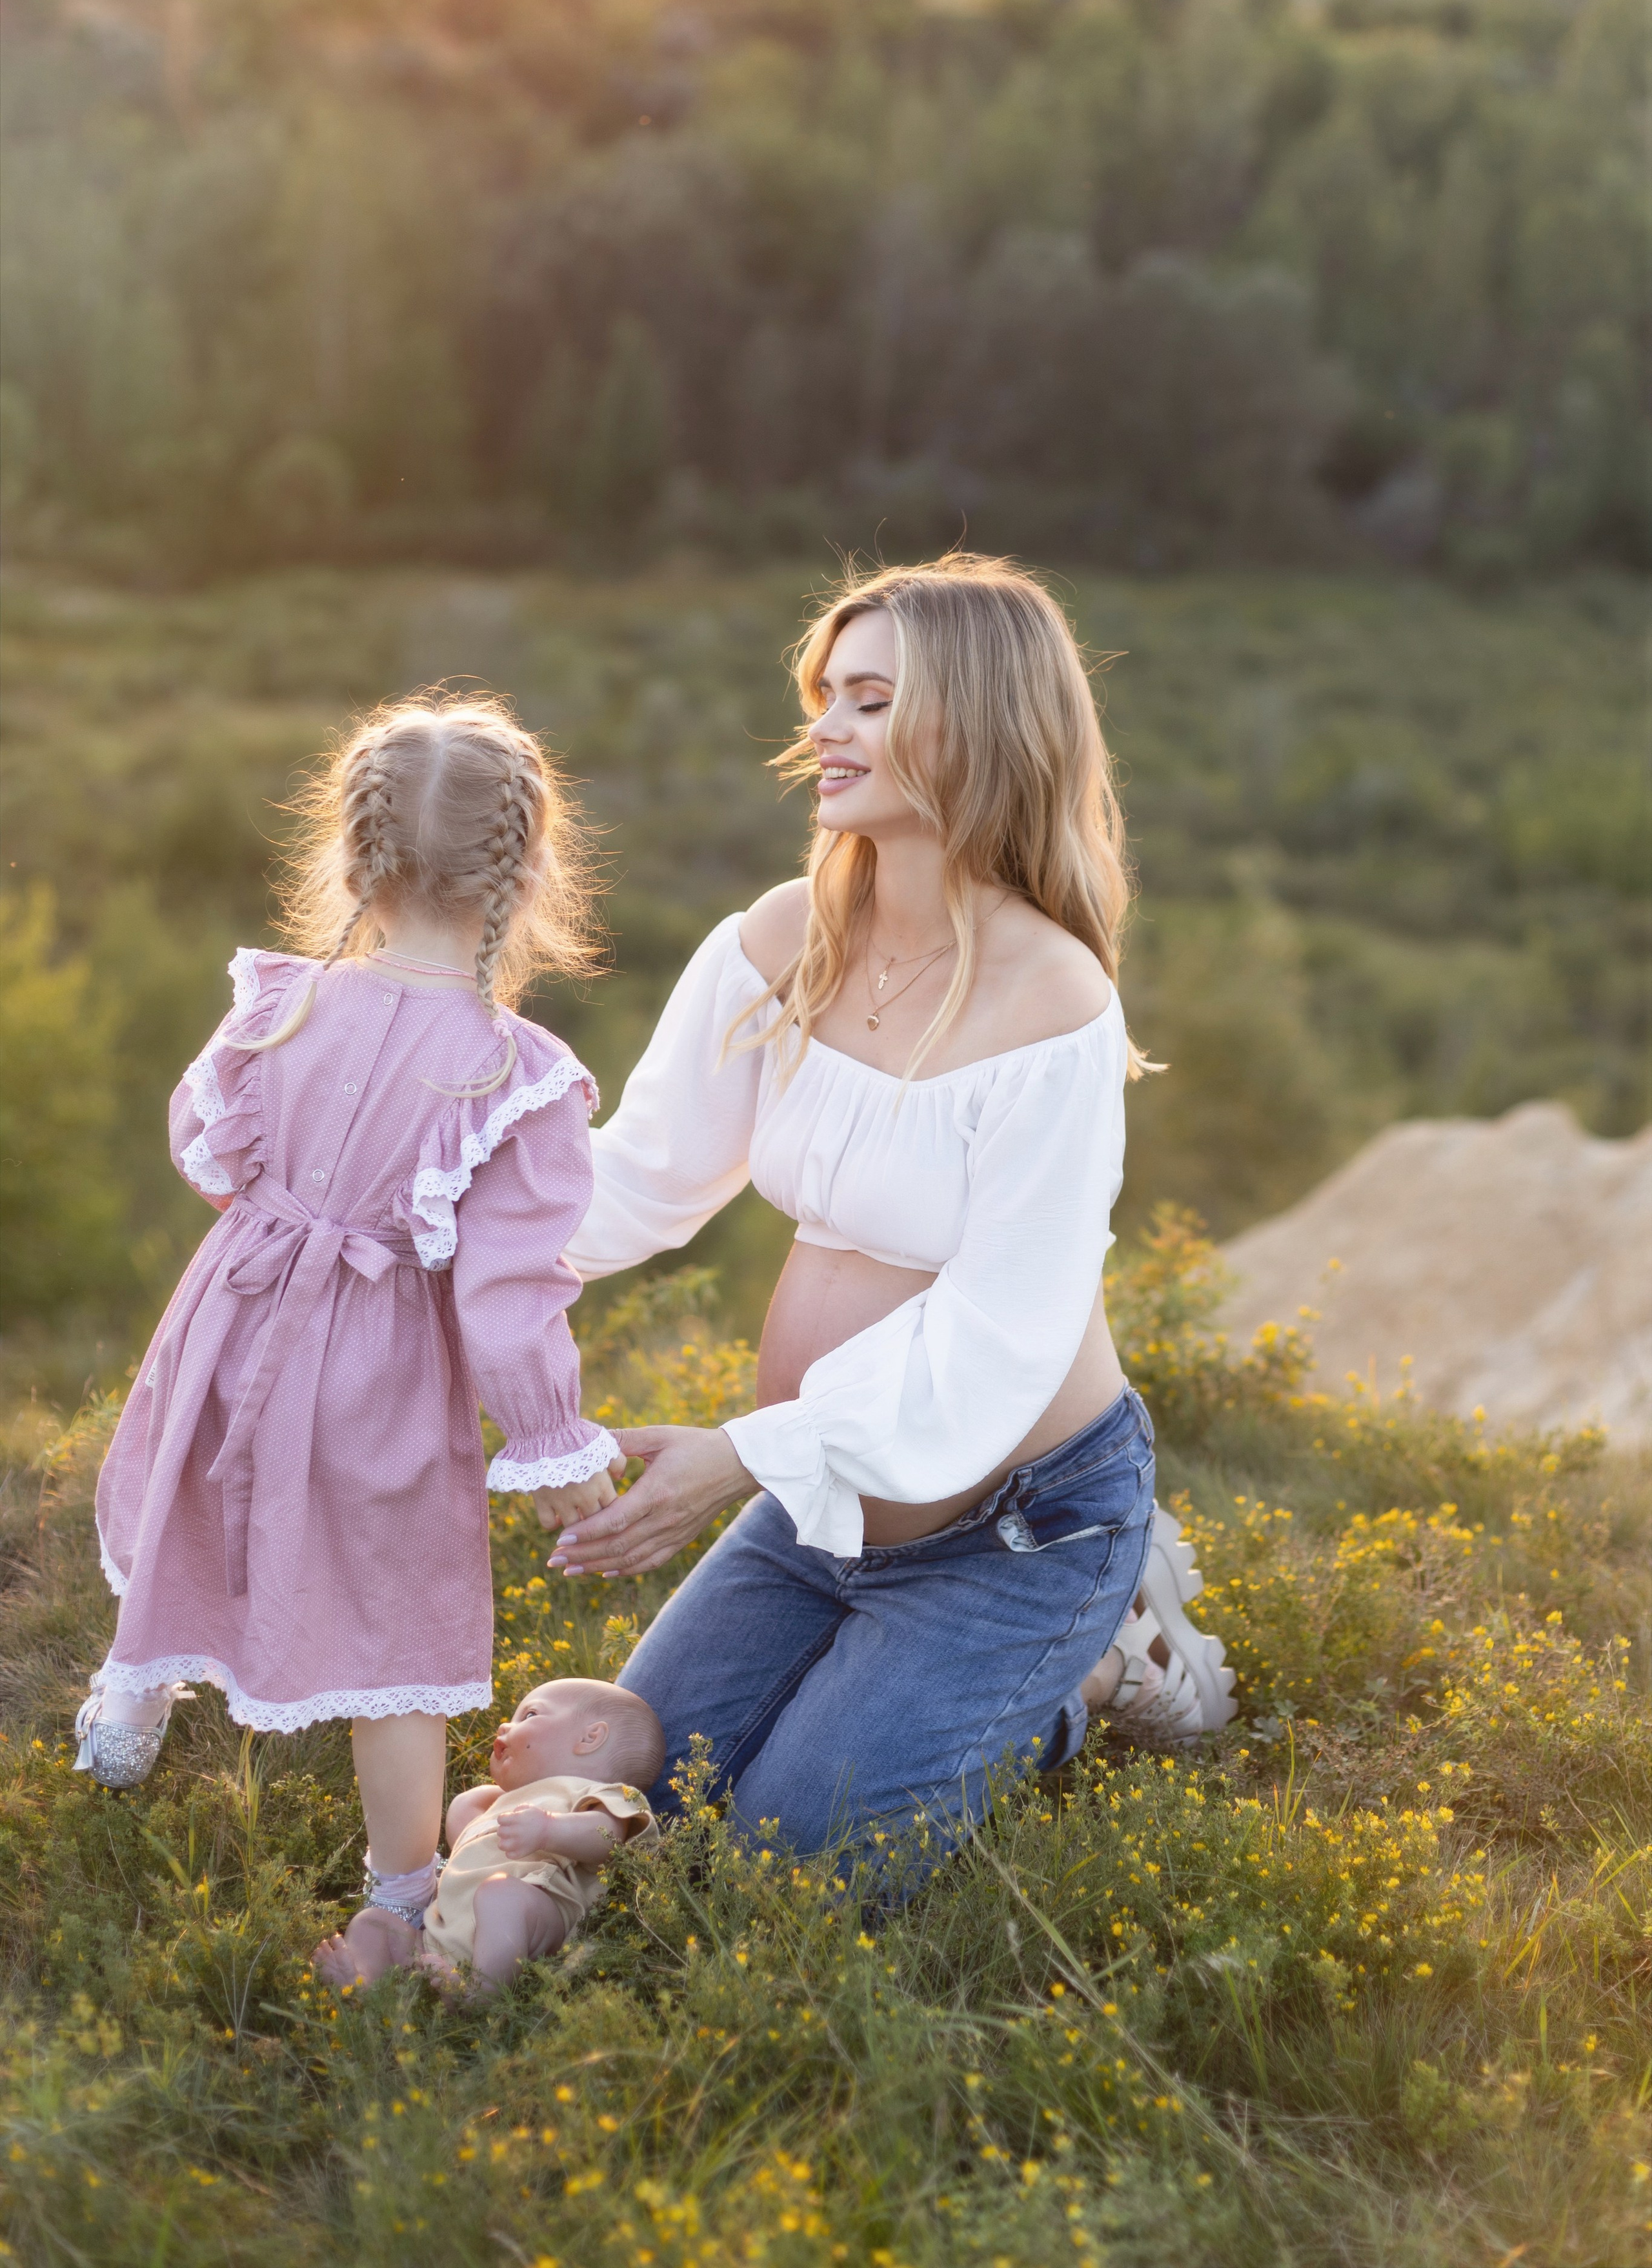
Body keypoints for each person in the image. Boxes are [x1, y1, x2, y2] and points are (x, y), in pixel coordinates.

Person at [552, 556, 1236, 1862]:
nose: (822, 729)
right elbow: (635, 1176)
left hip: (1018, 1523)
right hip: (823, 1499)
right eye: (826, 696)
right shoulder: (773, 942)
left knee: (782, 1865)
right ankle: (943, 1685)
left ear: (972, 727)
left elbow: (999, 1331)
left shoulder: (1052, 1003)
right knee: (635, 1786)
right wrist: (420, 1230)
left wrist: (743, 1452)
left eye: (867, 701)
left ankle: (1091, 1666)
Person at [77, 694, 629, 1956]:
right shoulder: (511, 1073)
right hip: (375, 1366)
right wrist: (551, 1434)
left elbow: (199, 1147)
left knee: (195, 1489)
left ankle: (134, 1683)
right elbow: (507, 1294)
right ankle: (395, 1894)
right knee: (398, 1606)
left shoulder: (278, 1004)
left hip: (233, 1307)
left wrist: (288, 1219)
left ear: (348, 858)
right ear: (531, 868)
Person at [314, 1677, 663, 1999]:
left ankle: (480, 1993)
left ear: (590, 1738)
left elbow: (607, 1838)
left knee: (500, 1894)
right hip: (434, 1941)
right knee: (373, 1922)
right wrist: (474, 1807)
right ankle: (364, 1986)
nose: (505, 1725)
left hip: (529, 1920)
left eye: (529, 1714)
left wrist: (549, 1829)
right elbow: (471, 1845)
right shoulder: (512, 1801)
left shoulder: (601, 1794)